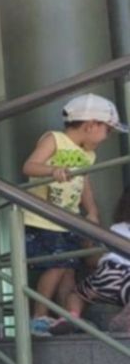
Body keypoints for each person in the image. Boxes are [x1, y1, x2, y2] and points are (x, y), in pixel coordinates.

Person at [20, 93, 119, 336]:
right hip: (43, 218)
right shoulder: (54, 139)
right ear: (91, 125)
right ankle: (39, 317)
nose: (108, 137)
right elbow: (29, 166)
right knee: (57, 265)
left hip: (68, 219)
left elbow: (84, 182)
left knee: (69, 270)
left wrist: (92, 211)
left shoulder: (88, 154)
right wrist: (53, 170)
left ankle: (67, 317)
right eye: (108, 130)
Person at [63, 188, 130, 333]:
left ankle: (72, 316)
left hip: (106, 274)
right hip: (127, 279)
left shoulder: (116, 228)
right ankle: (125, 320)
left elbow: (93, 260)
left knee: (76, 294)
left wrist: (88, 246)